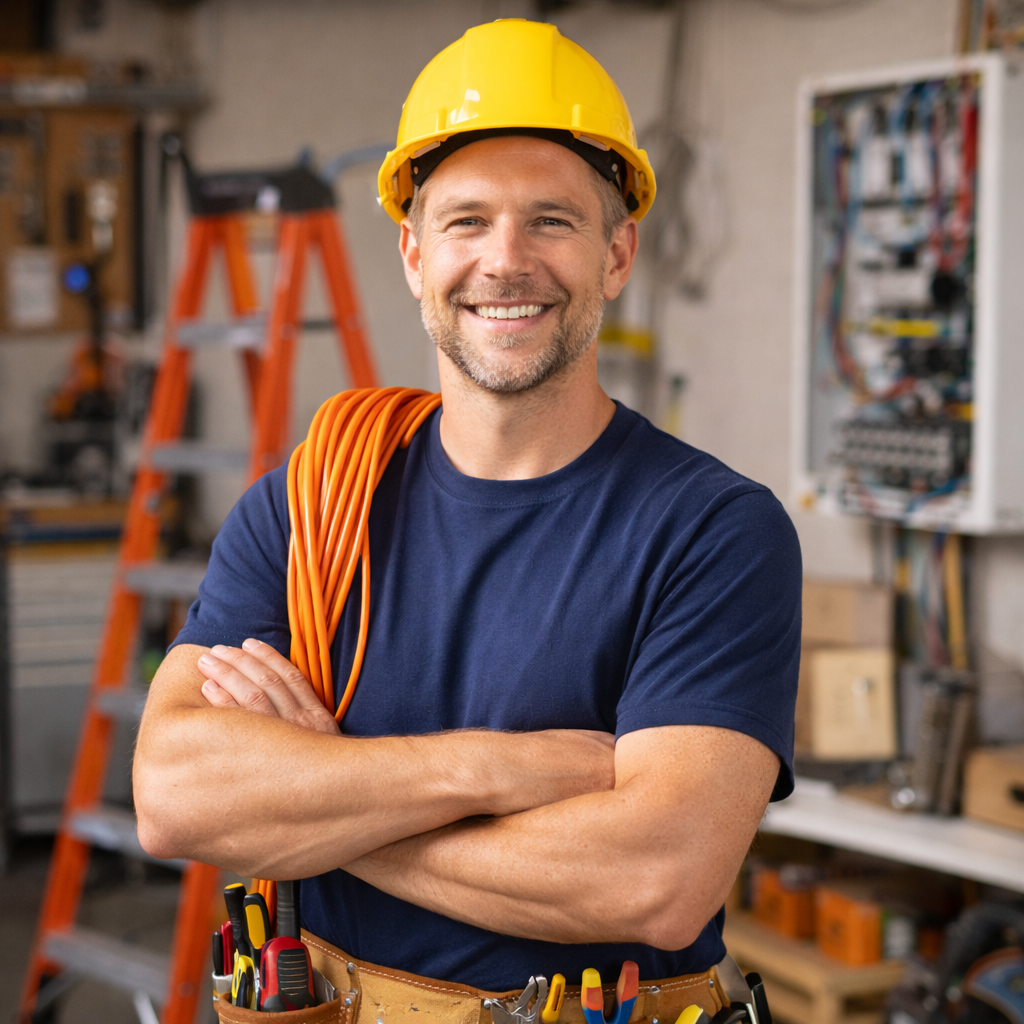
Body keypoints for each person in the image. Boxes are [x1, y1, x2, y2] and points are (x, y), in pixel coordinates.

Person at [134, 17, 800, 1014]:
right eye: (466, 221)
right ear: (411, 254)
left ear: (617, 255)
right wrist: (501, 768)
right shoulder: (313, 500)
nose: (505, 261)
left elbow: (654, 880)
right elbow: (174, 797)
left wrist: (320, 799)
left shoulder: (711, 533)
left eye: (552, 221)